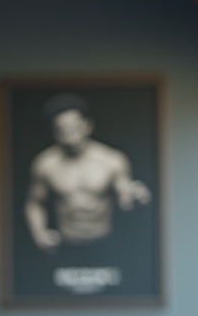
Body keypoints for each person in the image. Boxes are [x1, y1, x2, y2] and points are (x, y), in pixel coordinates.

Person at [25, 93, 151, 251]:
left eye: (74, 128)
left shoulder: (111, 160)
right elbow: (35, 203)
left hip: (106, 245)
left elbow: (124, 194)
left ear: (88, 126)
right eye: (61, 130)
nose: (70, 136)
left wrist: (134, 195)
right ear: (54, 133)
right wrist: (40, 234)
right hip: (65, 245)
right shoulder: (45, 164)